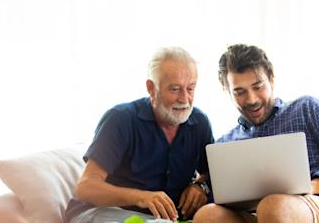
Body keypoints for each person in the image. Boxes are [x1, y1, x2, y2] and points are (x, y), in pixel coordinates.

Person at [193, 44, 319, 223]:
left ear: (271, 79)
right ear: (227, 91)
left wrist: (310, 186)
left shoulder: (306, 108)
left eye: (258, 86)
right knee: (207, 216)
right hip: (257, 213)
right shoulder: (226, 143)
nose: (251, 99)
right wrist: (201, 187)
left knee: (273, 206)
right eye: (240, 92)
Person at [65, 46, 214, 223]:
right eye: (174, 89)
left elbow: (211, 174)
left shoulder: (199, 122)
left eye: (190, 89)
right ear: (151, 88)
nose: (184, 99)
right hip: (104, 212)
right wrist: (140, 197)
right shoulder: (120, 119)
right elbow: (86, 187)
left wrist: (201, 186)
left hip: (162, 219)